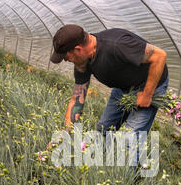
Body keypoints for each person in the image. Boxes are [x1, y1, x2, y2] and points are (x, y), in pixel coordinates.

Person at [49, 24, 169, 170]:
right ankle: (99, 168)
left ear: (78, 49)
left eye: (66, 57)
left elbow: (159, 56)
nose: (67, 61)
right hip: (123, 88)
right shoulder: (83, 62)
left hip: (150, 85)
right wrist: (65, 133)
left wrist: (147, 94)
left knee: (129, 139)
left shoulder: (117, 45)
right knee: (103, 129)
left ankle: (125, 181)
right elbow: (77, 99)